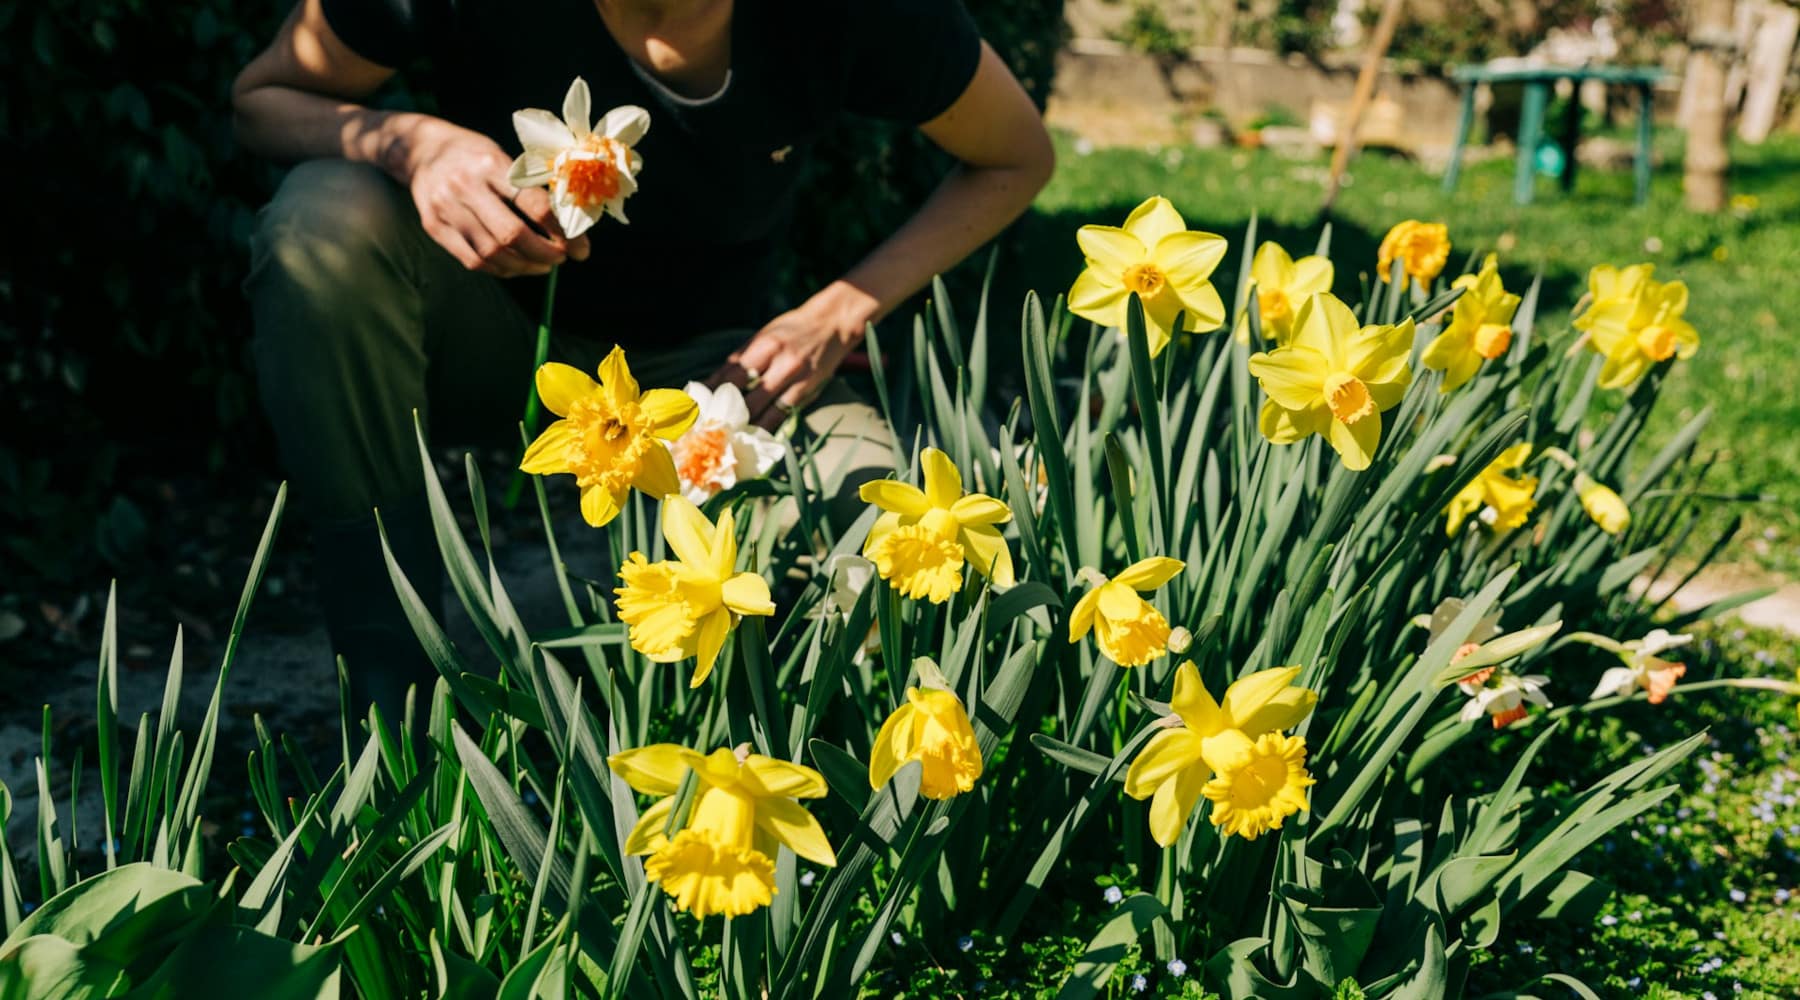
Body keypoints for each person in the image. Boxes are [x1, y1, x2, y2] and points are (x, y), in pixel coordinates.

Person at [231, 0, 1055, 717]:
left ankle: (781, 777)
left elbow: (1017, 155)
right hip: (490, 342)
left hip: (722, 383)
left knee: (887, 538)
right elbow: (263, 100)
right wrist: (408, 143)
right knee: (322, 224)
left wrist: (840, 312)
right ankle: (394, 716)